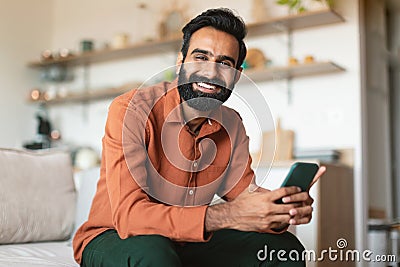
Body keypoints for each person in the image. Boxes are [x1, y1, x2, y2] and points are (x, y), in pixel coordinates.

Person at [73, 8, 326, 267]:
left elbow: (244, 196)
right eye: (201, 57)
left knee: (284, 248)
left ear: (236, 75)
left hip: (187, 241)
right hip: (113, 236)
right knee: (154, 253)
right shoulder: (131, 110)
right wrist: (227, 216)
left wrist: (279, 207)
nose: (211, 72)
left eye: (225, 63)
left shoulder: (232, 123)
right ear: (180, 62)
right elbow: (130, 216)